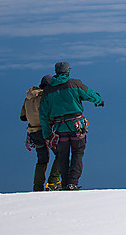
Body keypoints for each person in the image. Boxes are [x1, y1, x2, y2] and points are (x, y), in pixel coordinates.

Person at [39, 62, 104, 190]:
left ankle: (64, 183)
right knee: (77, 153)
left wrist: (47, 135)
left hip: (59, 129)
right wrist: (99, 100)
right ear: (68, 71)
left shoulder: (47, 91)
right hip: (76, 127)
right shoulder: (74, 84)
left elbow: (43, 115)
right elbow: (90, 94)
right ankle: (73, 183)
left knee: (62, 156)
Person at [21, 75, 62, 191]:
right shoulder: (47, 96)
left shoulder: (28, 98)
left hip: (33, 132)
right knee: (61, 153)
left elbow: (23, 117)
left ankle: (37, 186)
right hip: (47, 130)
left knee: (42, 159)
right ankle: (53, 181)